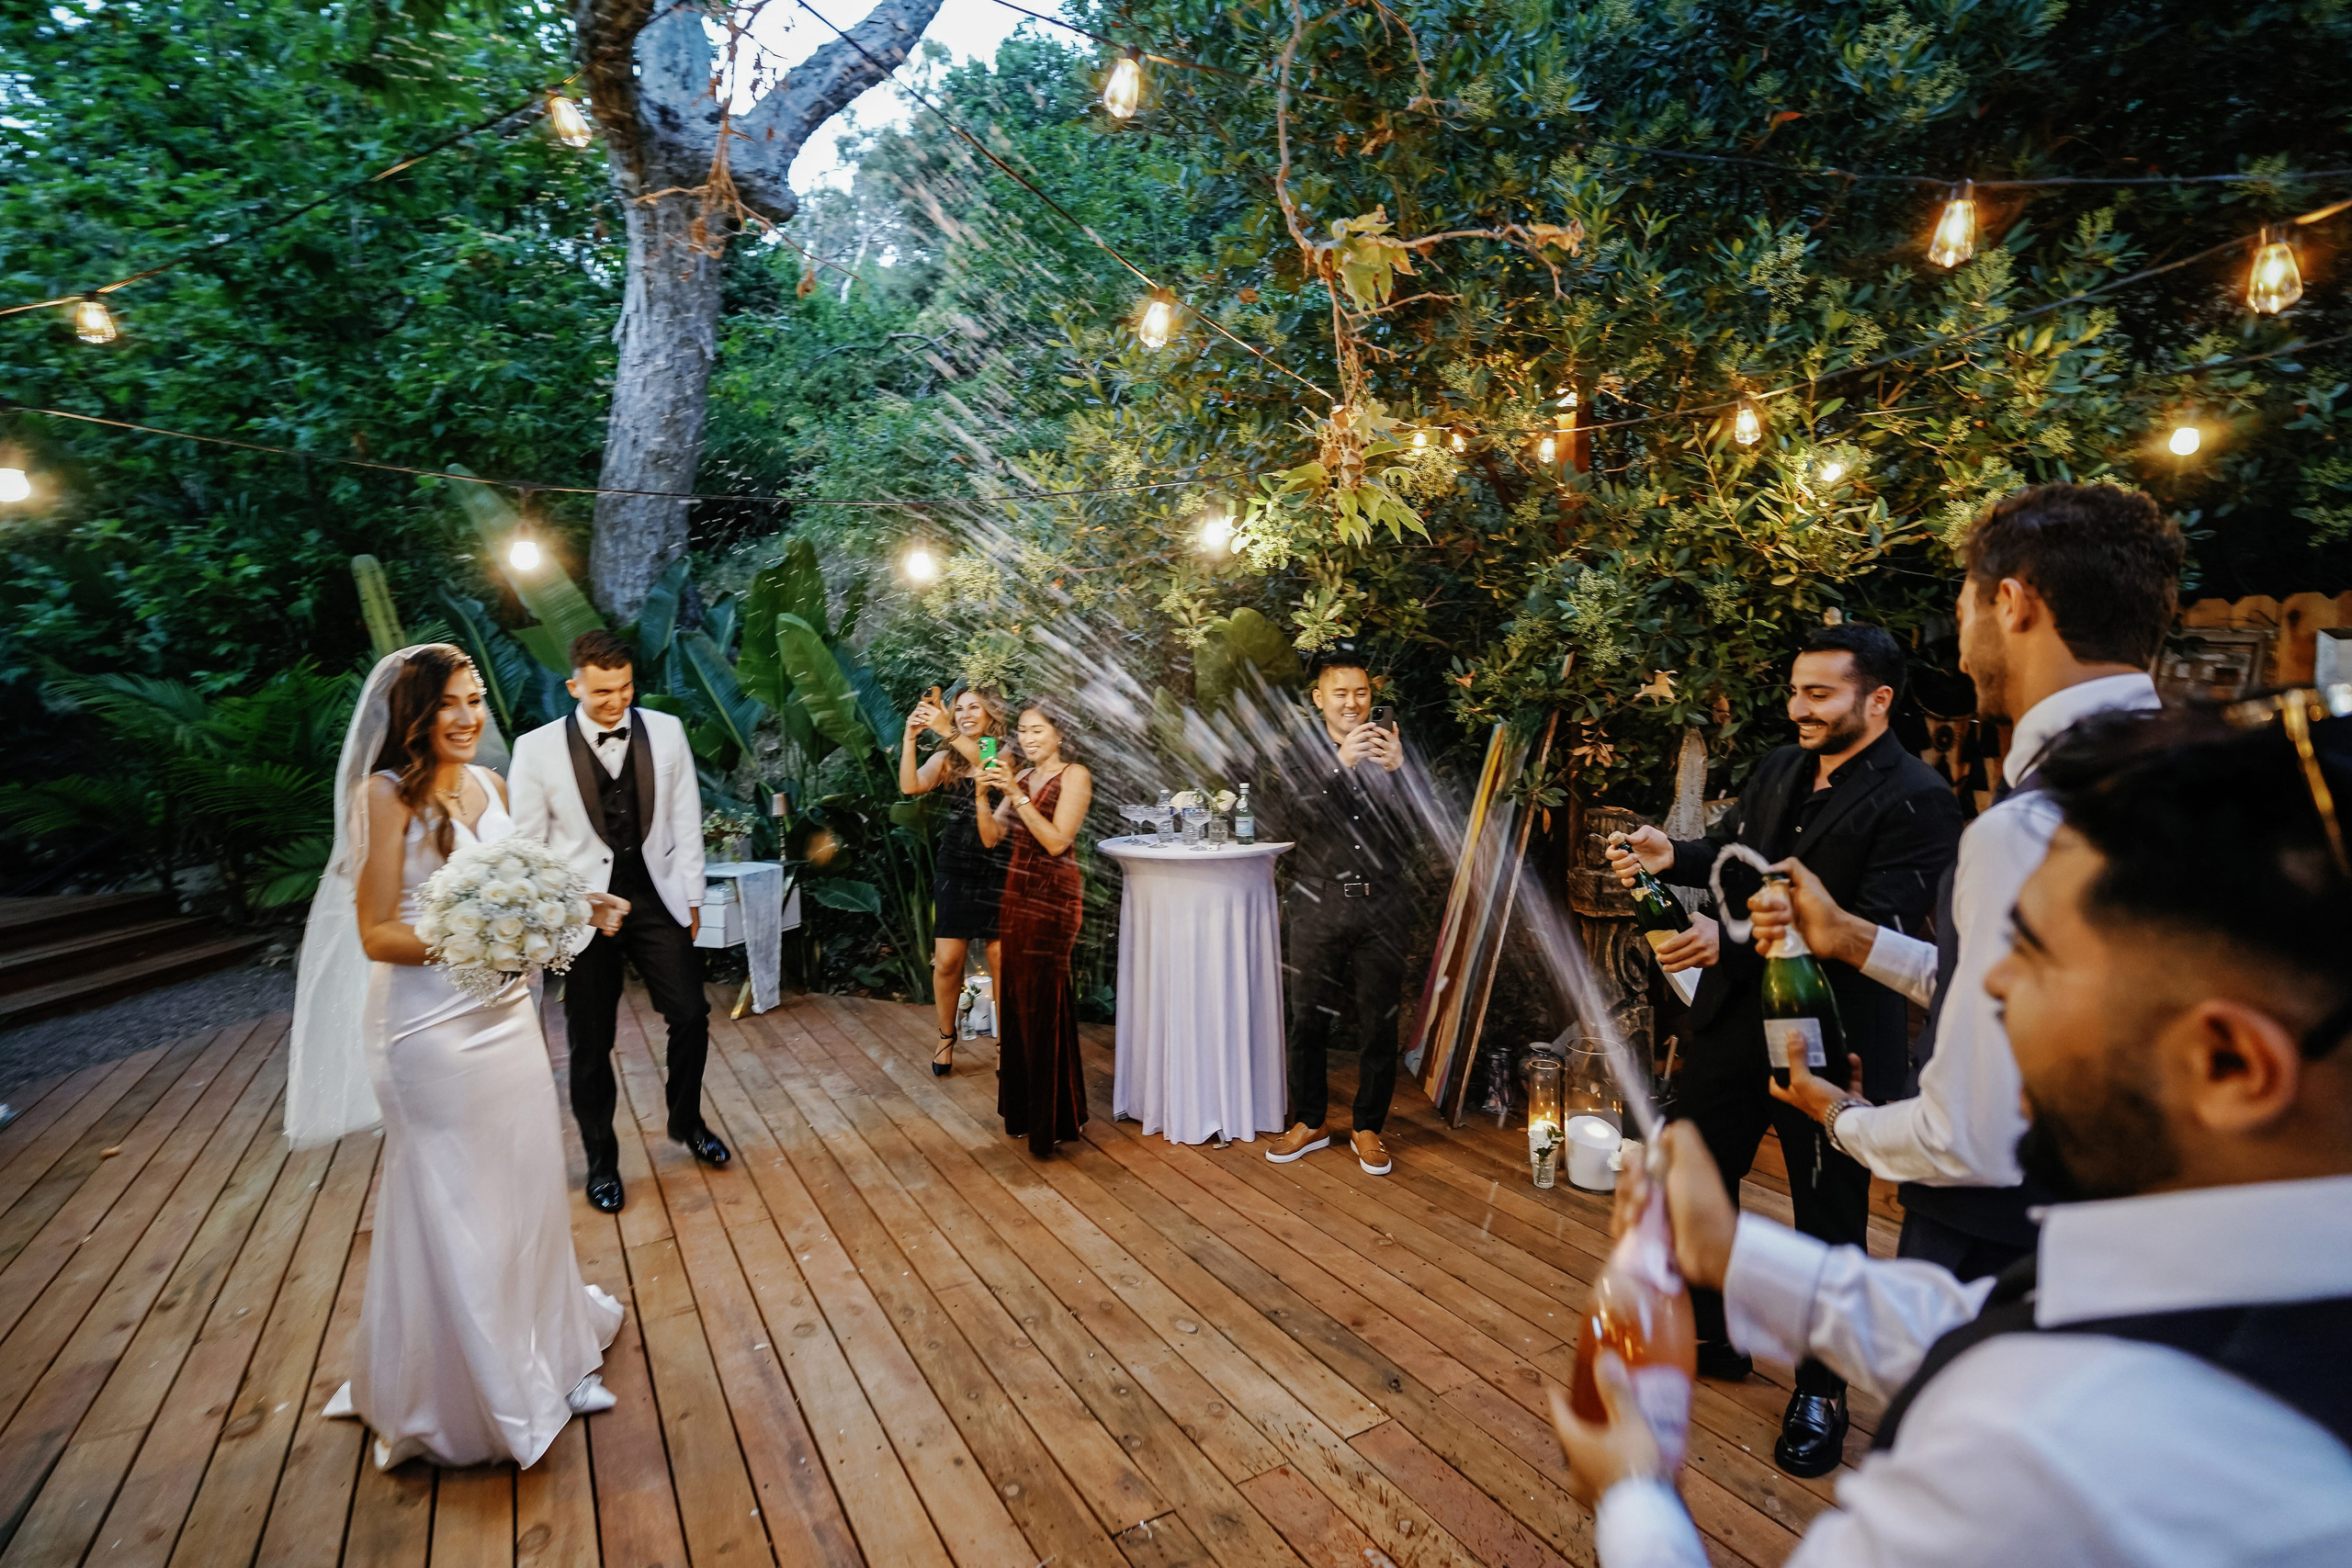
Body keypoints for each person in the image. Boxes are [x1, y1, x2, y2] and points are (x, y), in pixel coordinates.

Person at [1550, 703, 2352, 1567]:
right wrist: (1731, 1250)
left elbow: (2023, 1368)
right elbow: (1986, 1322)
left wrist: (1634, 1494)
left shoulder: (2039, 1459)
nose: (1992, 981)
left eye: (2035, 952)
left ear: (2229, 1064)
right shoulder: (2232, 1265)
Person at [1758, 484, 2183, 1282]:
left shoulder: (2026, 827)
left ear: (2014, 604)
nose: (1959, 651)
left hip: (1994, 1251)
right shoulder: (2190, 774)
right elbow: (2040, 996)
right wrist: (1851, 938)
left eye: (1964, 611)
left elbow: (1966, 1137)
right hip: (2129, 1242)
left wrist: (1840, 1115)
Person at [1606, 623, 1963, 1475]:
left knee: (1829, 1215)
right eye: (1796, 690)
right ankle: (1718, 1331)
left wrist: (1718, 942)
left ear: (1878, 700)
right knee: (1695, 1167)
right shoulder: (1780, 763)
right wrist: (1678, 854)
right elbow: (1741, 859)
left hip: (1830, 1035)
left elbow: (1850, 935)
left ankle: (1822, 1390)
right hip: (1734, 1022)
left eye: (1820, 694)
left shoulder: (1921, 799)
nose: (1797, 707)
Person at [288, 645, 624, 1468]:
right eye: (451, 703)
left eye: (477, 699)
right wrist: (482, 938)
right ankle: (482, 1386)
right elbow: (377, 932)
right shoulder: (384, 796)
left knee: (525, 1184)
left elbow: (517, 889)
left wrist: (574, 904)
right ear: (415, 713)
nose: (471, 717)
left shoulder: (492, 787)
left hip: (507, 1018)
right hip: (425, 1032)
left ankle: (553, 1350)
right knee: (458, 1202)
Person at [508, 630, 729, 1215]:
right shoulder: (535, 749)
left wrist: (694, 897)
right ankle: (601, 1161)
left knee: (691, 1014)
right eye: (604, 691)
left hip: (657, 899)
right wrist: (571, 906)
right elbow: (528, 850)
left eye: (626, 687)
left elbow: (687, 822)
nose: (617, 700)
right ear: (574, 684)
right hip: (581, 913)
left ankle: (686, 1122)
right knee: (591, 1043)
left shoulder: (668, 732)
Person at [1262, 648, 1412, 1178]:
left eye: (1362, 693)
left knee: (1379, 1023)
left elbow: (1417, 833)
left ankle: (1368, 1126)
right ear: (1319, 698)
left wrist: (1399, 776)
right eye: (1341, 693)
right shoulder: (1299, 755)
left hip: (1383, 905)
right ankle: (1309, 1120)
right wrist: (1339, 764)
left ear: (1372, 696)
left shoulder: (1391, 749)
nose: (1353, 703)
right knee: (1308, 1019)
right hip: (1318, 903)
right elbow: (1285, 822)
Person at [977, 701, 1094, 1156]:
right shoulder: (1020, 779)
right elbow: (991, 837)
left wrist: (1016, 794)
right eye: (1023, 731)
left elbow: (1056, 840)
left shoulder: (1075, 776)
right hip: (1016, 896)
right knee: (1018, 999)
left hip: (1055, 899)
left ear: (1059, 735)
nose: (1027, 739)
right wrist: (984, 795)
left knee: (1046, 1000)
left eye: (1037, 731)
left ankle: (1055, 1120)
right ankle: (1027, 1113)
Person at [901, 683, 1012, 1075]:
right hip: (955, 865)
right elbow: (910, 785)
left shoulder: (1002, 751)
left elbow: (988, 769)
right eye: (959, 709)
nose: (964, 715)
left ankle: (1005, 1044)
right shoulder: (948, 756)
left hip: (997, 864)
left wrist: (945, 726)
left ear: (990, 715)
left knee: (1000, 959)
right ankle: (946, 1037)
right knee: (948, 961)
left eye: (973, 709)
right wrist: (910, 737)